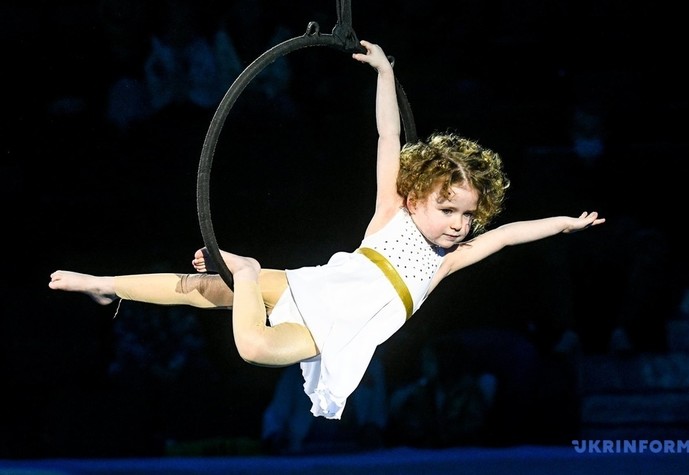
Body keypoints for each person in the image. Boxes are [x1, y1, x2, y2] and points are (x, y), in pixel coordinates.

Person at [48, 40, 605, 420]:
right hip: (320, 286)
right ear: (416, 197)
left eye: (466, 216)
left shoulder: (447, 262)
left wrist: (563, 224)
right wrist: (385, 73)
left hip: (337, 329)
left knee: (247, 338)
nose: (459, 225)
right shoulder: (391, 212)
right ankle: (107, 283)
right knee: (213, 298)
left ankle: (232, 274)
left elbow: (506, 235)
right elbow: (389, 137)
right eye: (448, 210)